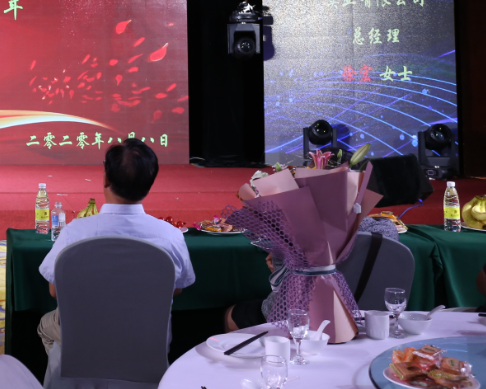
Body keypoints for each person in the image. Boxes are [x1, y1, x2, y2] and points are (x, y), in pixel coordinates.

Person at [37, 139, 195, 353]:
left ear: (106, 178)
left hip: (87, 337)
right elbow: (175, 288)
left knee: (46, 326)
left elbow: (55, 291)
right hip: (147, 344)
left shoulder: (75, 232)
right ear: (149, 184)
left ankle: (69, 371)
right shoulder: (171, 236)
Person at [224, 212, 402, 331]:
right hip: (363, 312)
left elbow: (248, 223)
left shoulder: (290, 224)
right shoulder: (374, 228)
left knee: (230, 314)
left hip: (291, 315)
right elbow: (387, 232)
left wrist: (283, 256)